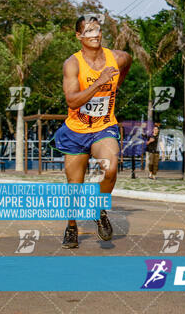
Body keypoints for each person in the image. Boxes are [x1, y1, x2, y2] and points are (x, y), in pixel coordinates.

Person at [51, 14, 132, 249]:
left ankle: (99, 209)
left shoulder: (116, 58)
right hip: (76, 131)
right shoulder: (73, 64)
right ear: (79, 36)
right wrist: (99, 82)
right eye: (88, 31)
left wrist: (116, 83)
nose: (94, 34)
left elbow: (127, 61)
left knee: (111, 167)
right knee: (74, 185)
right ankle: (72, 226)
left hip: (103, 126)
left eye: (97, 29)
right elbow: (72, 101)